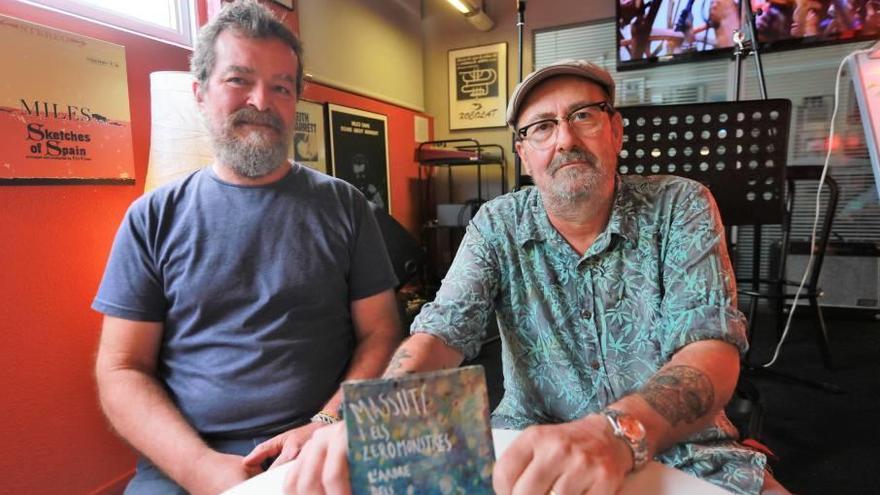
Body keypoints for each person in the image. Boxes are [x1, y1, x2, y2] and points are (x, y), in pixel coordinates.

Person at [287, 59, 792, 495]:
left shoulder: (680, 204)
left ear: (615, 131)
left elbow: (712, 351)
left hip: (679, 445)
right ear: (525, 155)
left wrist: (614, 434)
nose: (566, 139)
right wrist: (378, 414)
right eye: (542, 127)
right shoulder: (497, 223)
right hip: (525, 448)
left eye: (583, 116)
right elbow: (441, 333)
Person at [92, 1, 400, 493]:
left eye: (281, 86)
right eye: (238, 80)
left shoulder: (345, 206)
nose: (261, 100)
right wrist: (199, 467)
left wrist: (326, 423)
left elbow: (381, 334)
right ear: (200, 93)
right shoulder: (151, 218)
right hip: (188, 456)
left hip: (322, 441)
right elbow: (121, 368)